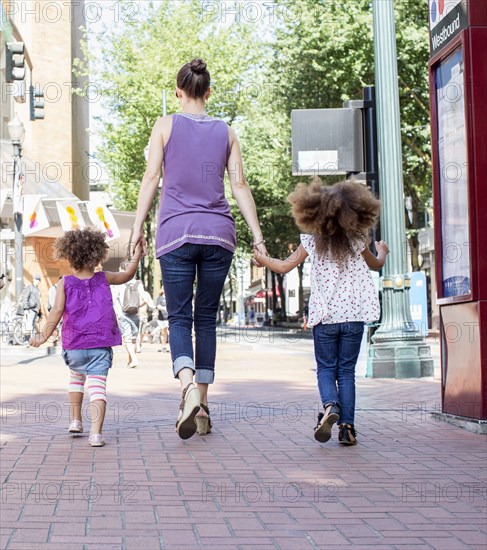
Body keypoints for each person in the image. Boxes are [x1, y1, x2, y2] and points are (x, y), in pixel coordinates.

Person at [130, 58, 267, 439]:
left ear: (178, 92)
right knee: (206, 319)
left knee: (179, 318)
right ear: (208, 93)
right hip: (219, 236)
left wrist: (137, 227)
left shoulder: (164, 125)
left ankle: (187, 387)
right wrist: (257, 236)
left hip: (175, 234)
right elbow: (240, 186)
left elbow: (152, 177)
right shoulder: (226, 131)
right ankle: (202, 407)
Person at [254, 180, 389, 446]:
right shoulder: (358, 240)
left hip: (325, 319)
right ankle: (347, 428)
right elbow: (376, 265)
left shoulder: (312, 242)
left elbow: (283, 267)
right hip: (353, 318)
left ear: (316, 212)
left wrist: (262, 259)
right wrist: (382, 250)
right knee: (346, 372)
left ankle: (330, 407)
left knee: (326, 369)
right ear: (355, 211)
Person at [29, 228, 142, 447]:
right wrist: (136, 255)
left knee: (76, 379)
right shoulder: (104, 278)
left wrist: (43, 336)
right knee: (98, 387)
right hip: (100, 345)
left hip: (74, 346)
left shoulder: (65, 282)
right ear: (97, 256)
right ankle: (96, 434)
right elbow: (127, 275)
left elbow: (56, 312)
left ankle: (75, 421)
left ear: (69, 257)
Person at [112, 261, 147, 368]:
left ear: (122, 269)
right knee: (133, 338)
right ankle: (131, 360)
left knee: (127, 337)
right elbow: (145, 299)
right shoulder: (138, 283)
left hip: (123, 314)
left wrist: (116, 313)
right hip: (135, 314)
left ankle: (134, 359)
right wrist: (136, 306)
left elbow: (113, 299)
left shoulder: (119, 283)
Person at [155, 287, 169, 352]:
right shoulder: (159, 298)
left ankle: (170, 346)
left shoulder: (170, 298)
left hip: (168, 318)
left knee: (169, 332)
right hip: (161, 318)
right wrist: (164, 308)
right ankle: (163, 346)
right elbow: (158, 306)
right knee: (163, 332)